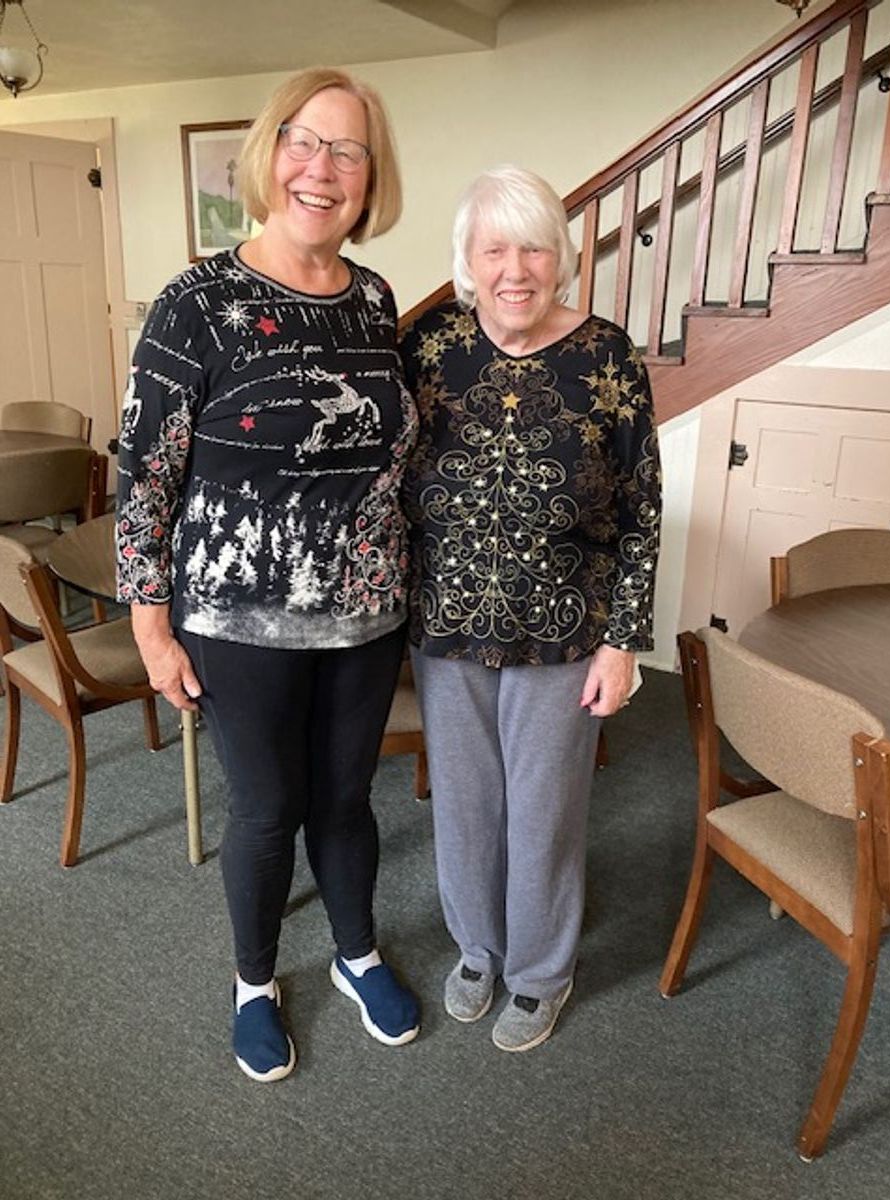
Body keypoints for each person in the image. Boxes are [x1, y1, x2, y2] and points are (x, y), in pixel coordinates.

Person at [116, 68, 420, 1083]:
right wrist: (151, 625)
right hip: (237, 618)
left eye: (348, 150)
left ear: (369, 178)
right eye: (304, 141)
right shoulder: (195, 304)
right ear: (268, 154)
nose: (321, 168)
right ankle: (255, 982)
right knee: (264, 810)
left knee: (346, 800)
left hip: (364, 615)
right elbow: (144, 473)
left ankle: (356, 955)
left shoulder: (373, 301)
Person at [401, 165, 661, 1052]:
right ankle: (478, 950)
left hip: (566, 628)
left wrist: (623, 642)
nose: (515, 270)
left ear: (562, 258)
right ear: (468, 262)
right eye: (495, 250)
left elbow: (642, 507)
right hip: (447, 623)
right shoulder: (430, 345)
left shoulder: (607, 354)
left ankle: (542, 972)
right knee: (465, 803)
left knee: (545, 810)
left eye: (535, 249)